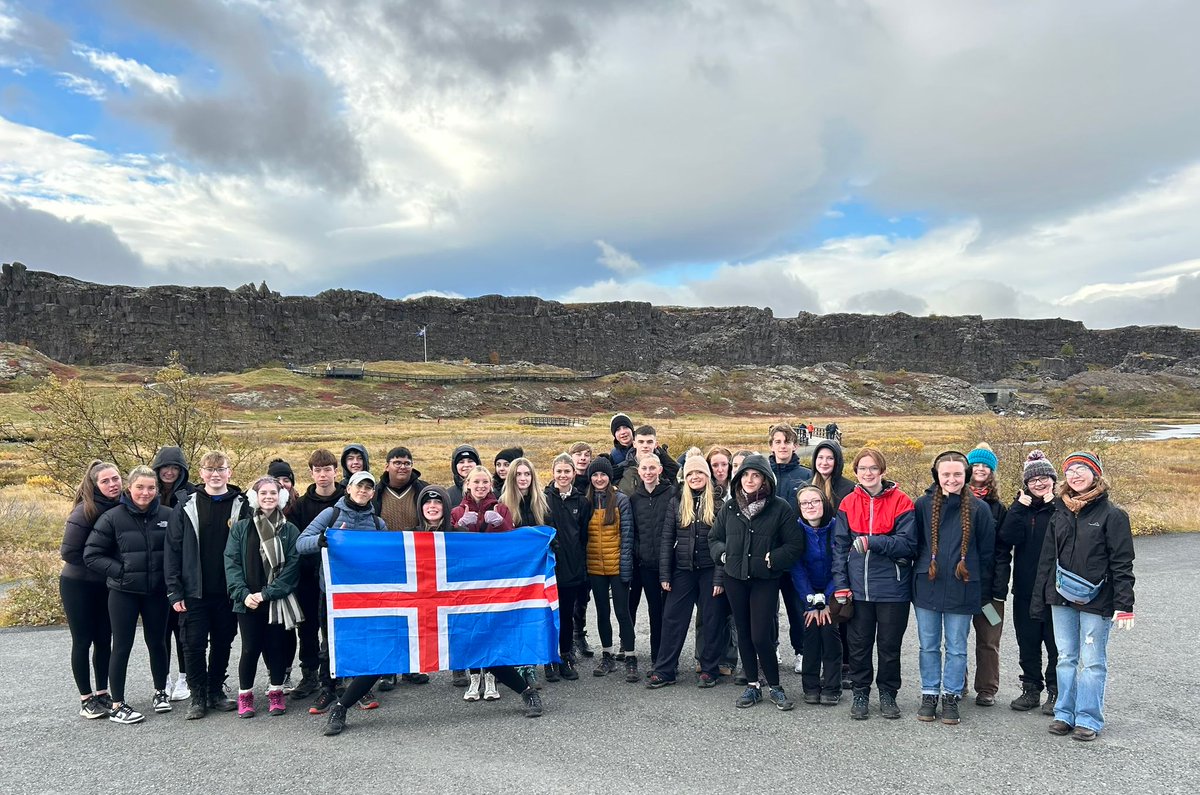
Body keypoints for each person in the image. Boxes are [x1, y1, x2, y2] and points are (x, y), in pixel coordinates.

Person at [1031, 452, 1135, 742]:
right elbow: (1048, 560)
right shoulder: (1060, 512)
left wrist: (1124, 605)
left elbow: (1122, 563)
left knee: (1092, 661)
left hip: (1097, 599)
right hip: (1061, 597)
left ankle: (1088, 718)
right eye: (1070, 470)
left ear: (1095, 474)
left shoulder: (1113, 515)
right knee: (1065, 657)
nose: (1075, 475)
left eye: (1082, 469)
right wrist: (1041, 598)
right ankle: (1065, 714)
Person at [709, 454, 805, 711]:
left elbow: (795, 545)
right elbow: (714, 538)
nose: (750, 480)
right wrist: (723, 554)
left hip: (765, 580)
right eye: (745, 475)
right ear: (739, 479)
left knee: (761, 634)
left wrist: (773, 558)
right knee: (744, 633)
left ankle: (775, 686)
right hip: (735, 578)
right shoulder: (730, 508)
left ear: (764, 479)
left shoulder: (780, 507)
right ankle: (753, 686)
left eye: (756, 475)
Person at [832, 447, 917, 721]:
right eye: (862, 468)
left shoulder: (902, 501)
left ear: (882, 471)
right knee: (859, 645)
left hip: (893, 588)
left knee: (889, 646)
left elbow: (908, 544)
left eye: (873, 468)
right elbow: (840, 547)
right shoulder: (848, 503)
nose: (868, 473)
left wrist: (874, 542)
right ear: (855, 472)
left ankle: (888, 693)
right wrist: (841, 584)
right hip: (858, 589)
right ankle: (860, 692)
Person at [165, 450, 251, 719]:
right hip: (194, 590)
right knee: (193, 644)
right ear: (200, 473)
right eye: (210, 469)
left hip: (229, 589)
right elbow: (172, 550)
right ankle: (198, 695)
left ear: (230, 472)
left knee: (224, 641)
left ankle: (215, 690)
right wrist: (174, 589)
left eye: (221, 469)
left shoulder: (242, 504)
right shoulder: (186, 505)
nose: (215, 474)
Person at [912, 451, 996, 725]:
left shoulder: (979, 509)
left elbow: (986, 555)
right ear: (937, 475)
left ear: (966, 476)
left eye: (957, 474)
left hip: (963, 587)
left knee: (957, 647)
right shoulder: (923, 505)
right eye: (945, 474)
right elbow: (916, 546)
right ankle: (929, 693)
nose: (951, 479)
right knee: (928, 646)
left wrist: (983, 593)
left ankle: (951, 695)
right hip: (929, 585)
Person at [296, 470, 389, 715]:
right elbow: (300, 543)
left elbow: (384, 558)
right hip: (333, 593)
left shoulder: (378, 523)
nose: (363, 491)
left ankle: (359, 687)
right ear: (348, 488)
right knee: (330, 643)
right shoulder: (331, 514)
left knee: (362, 640)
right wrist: (322, 540)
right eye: (359, 486)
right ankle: (328, 687)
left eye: (368, 488)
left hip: (364, 594)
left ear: (373, 493)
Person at [83, 465, 172, 724]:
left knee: (158, 642)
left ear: (157, 490)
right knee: (122, 646)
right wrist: (120, 571)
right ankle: (118, 704)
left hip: (156, 592)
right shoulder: (113, 517)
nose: (145, 493)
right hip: (124, 593)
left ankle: (161, 692)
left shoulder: (168, 514)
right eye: (140, 487)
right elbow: (91, 554)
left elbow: (177, 552)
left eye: (151, 488)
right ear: (129, 488)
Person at [224, 476, 303, 718]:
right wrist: (242, 594)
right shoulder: (241, 528)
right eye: (263, 493)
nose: (268, 497)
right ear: (255, 498)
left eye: (273, 493)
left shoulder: (289, 530)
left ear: (281, 497)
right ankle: (245, 696)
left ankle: (276, 691)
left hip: (276, 599)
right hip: (247, 600)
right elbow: (231, 562)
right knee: (250, 649)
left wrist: (267, 593)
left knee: (277, 647)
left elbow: (292, 567)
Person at [648, 455, 726, 688]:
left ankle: (710, 669)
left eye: (699, 473)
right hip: (682, 569)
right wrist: (665, 574)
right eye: (690, 473)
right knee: (672, 618)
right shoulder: (677, 502)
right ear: (685, 477)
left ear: (707, 476)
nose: (695, 477)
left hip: (710, 570)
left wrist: (720, 576)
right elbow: (667, 539)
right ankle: (665, 669)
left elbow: (725, 541)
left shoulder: (720, 503)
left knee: (712, 619)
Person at [60, 460, 122, 719]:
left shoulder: (121, 506)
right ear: (95, 484)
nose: (112, 484)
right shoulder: (84, 511)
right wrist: (105, 565)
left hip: (105, 585)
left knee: (104, 640)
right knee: (83, 641)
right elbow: (69, 552)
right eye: (105, 481)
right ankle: (86, 698)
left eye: (115, 479)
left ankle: (102, 693)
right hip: (78, 585)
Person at [999, 450, 1059, 714]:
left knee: (1056, 644)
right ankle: (1031, 689)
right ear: (1026, 483)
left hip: (1056, 589)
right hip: (1025, 587)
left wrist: (1054, 504)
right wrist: (1017, 507)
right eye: (1034, 480)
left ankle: (1056, 692)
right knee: (1028, 641)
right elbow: (1007, 537)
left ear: (1053, 480)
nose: (1039, 483)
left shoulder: (1063, 507)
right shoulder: (1021, 509)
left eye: (1045, 478)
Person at [451, 465, 515, 701]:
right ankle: (473, 676)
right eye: (475, 482)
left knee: (491, 625)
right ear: (467, 484)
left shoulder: (501, 508)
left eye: (485, 482)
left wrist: (501, 524)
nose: (480, 486)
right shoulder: (457, 511)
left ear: (491, 485)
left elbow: (512, 542)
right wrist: (459, 527)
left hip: (493, 577)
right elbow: (449, 545)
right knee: (470, 627)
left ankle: (491, 676)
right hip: (466, 580)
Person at [286, 449, 344, 701]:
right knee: (308, 628)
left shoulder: (347, 499)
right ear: (311, 473)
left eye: (327, 469)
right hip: (310, 576)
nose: (323, 475)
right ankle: (309, 674)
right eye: (317, 470)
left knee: (338, 628)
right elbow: (297, 542)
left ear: (335, 471)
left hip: (342, 576)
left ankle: (339, 675)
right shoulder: (300, 506)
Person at [964, 443, 1010, 707]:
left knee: (989, 640)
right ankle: (958, 684)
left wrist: (999, 588)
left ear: (992, 472)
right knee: (957, 639)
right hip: (960, 585)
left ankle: (987, 689)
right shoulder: (954, 501)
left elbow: (1003, 552)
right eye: (976, 464)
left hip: (990, 591)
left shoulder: (998, 508)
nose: (980, 469)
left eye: (985, 466)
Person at [584, 457, 636, 680]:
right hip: (595, 567)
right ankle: (607, 655)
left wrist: (625, 568)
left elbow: (627, 537)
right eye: (595, 475)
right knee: (602, 612)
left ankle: (631, 657)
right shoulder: (585, 502)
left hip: (617, 566)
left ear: (609, 477)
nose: (599, 479)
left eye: (603, 474)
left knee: (622, 612)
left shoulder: (621, 501)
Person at [541, 454, 592, 683]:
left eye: (567, 471)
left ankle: (565, 656)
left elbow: (583, 536)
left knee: (566, 616)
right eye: (559, 471)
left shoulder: (581, 502)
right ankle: (549, 659)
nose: (563, 475)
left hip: (571, 568)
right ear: (553, 473)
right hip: (549, 569)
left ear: (573, 473)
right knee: (548, 615)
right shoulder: (543, 498)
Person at [790, 486, 842, 706]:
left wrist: (827, 599)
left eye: (815, 501)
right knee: (810, 633)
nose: (810, 506)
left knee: (830, 633)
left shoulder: (837, 527)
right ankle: (810, 686)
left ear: (824, 503)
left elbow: (840, 563)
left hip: (833, 588)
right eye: (804, 503)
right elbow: (797, 567)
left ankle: (832, 686)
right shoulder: (795, 531)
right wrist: (811, 600)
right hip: (806, 591)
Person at [627, 452, 676, 671]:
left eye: (652, 468)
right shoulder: (634, 499)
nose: (648, 472)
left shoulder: (672, 494)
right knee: (653, 610)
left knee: (666, 612)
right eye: (644, 469)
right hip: (644, 564)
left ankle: (664, 656)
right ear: (639, 471)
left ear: (659, 470)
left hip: (668, 563)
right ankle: (654, 656)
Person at [152, 446, 193, 702]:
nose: (169, 472)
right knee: (160, 632)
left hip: (182, 575)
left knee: (183, 632)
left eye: (175, 468)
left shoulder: (189, 495)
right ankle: (162, 679)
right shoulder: (146, 493)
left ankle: (183, 677)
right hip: (154, 576)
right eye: (165, 467)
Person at [767, 423, 809, 676]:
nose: (782, 446)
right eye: (778, 441)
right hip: (768, 552)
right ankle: (772, 648)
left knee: (797, 606)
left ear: (795, 445)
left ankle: (802, 650)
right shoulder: (763, 472)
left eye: (787, 441)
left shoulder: (805, 476)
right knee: (768, 606)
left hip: (796, 553)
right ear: (771, 445)